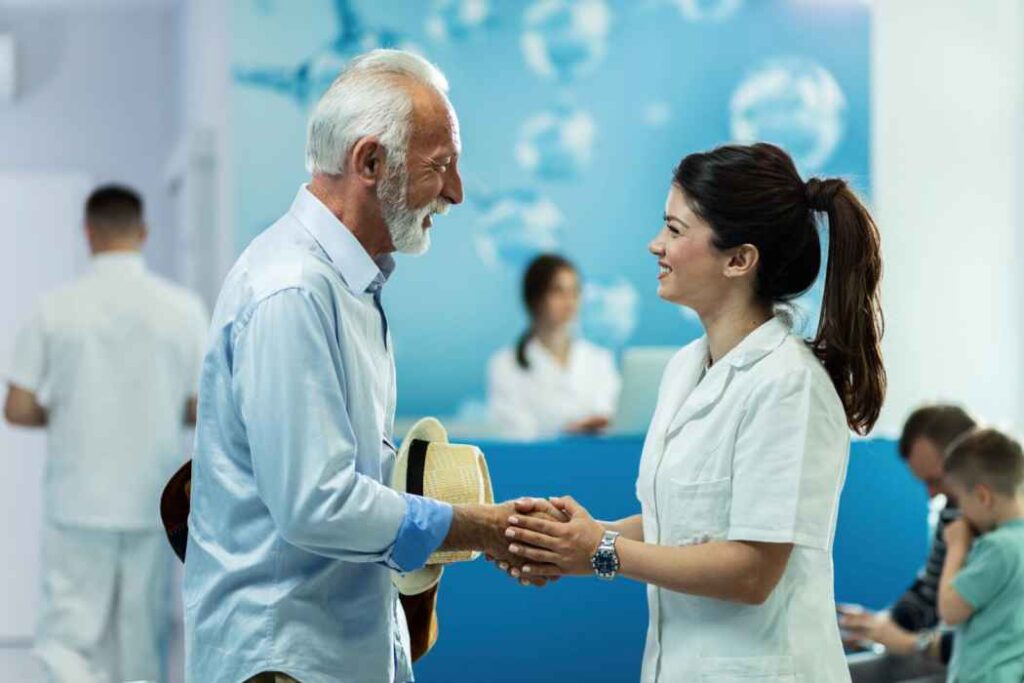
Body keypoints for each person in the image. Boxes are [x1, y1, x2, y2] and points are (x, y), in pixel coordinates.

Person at [182, 50, 556, 683]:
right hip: (284, 661)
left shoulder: (346, 286)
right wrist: (477, 528)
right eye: (442, 166)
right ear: (370, 162)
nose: (458, 192)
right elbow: (315, 504)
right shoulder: (292, 292)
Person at [500, 142, 885, 681]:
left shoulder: (788, 384)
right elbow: (682, 525)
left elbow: (751, 571)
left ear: (739, 259)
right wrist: (576, 540)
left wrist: (603, 550)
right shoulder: (684, 369)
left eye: (676, 231)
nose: (655, 244)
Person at [3, 185, 209, 683]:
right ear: (143, 232)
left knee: (68, 641)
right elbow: (203, 408)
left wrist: (71, 413)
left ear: (87, 232)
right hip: (151, 501)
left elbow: (18, 406)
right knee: (142, 643)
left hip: (77, 503)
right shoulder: (182, 310)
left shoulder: (55, 308)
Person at [840, 404, 976, 664]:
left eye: (936, 480)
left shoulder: (1003, 536)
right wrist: (881, 625)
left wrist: (914, 643)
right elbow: (929, 592)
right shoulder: (951, 512)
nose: (932, 494)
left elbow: (994, 635)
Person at [487, 253, 620, 440]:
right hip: (539, 464)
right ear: (535, 298)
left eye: (575, 291)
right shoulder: (506, 364)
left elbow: (611, 416)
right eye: (558, 291)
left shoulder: (599, 359)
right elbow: (516, 432)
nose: (569, 301)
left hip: (595, 461)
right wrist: (564, 433)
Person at [938, 427, 1024, 682]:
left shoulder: (998, 547)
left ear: (982, 497)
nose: (961, 511)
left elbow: (950, 610)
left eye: (960, 500)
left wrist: (956, 547)